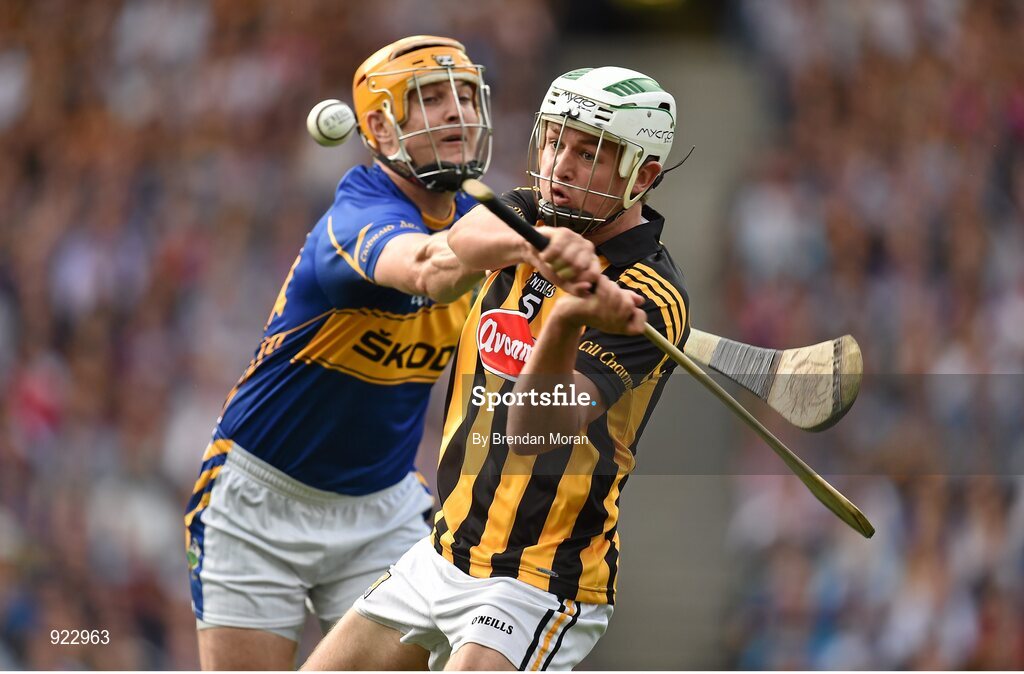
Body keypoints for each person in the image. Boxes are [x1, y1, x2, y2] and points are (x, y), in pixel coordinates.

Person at [302, 65, 690, 671]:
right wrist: (536, 246)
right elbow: (463, 239)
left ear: (640, 176)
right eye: (554, 141)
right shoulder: (530, 212)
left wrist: (567, 319)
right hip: (443, 550)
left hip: (536, 579)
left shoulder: (652, 296)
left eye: (588, 154)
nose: (560, 166)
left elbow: (533, 431)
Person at [183, 35, 496, 670]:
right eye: (431, 98)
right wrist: (521, 244)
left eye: (466, 95)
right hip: (258, 503)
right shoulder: (354, 219)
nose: (457, 111)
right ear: (379, 128)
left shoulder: (484, 218)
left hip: (382, 509)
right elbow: (430, 267)